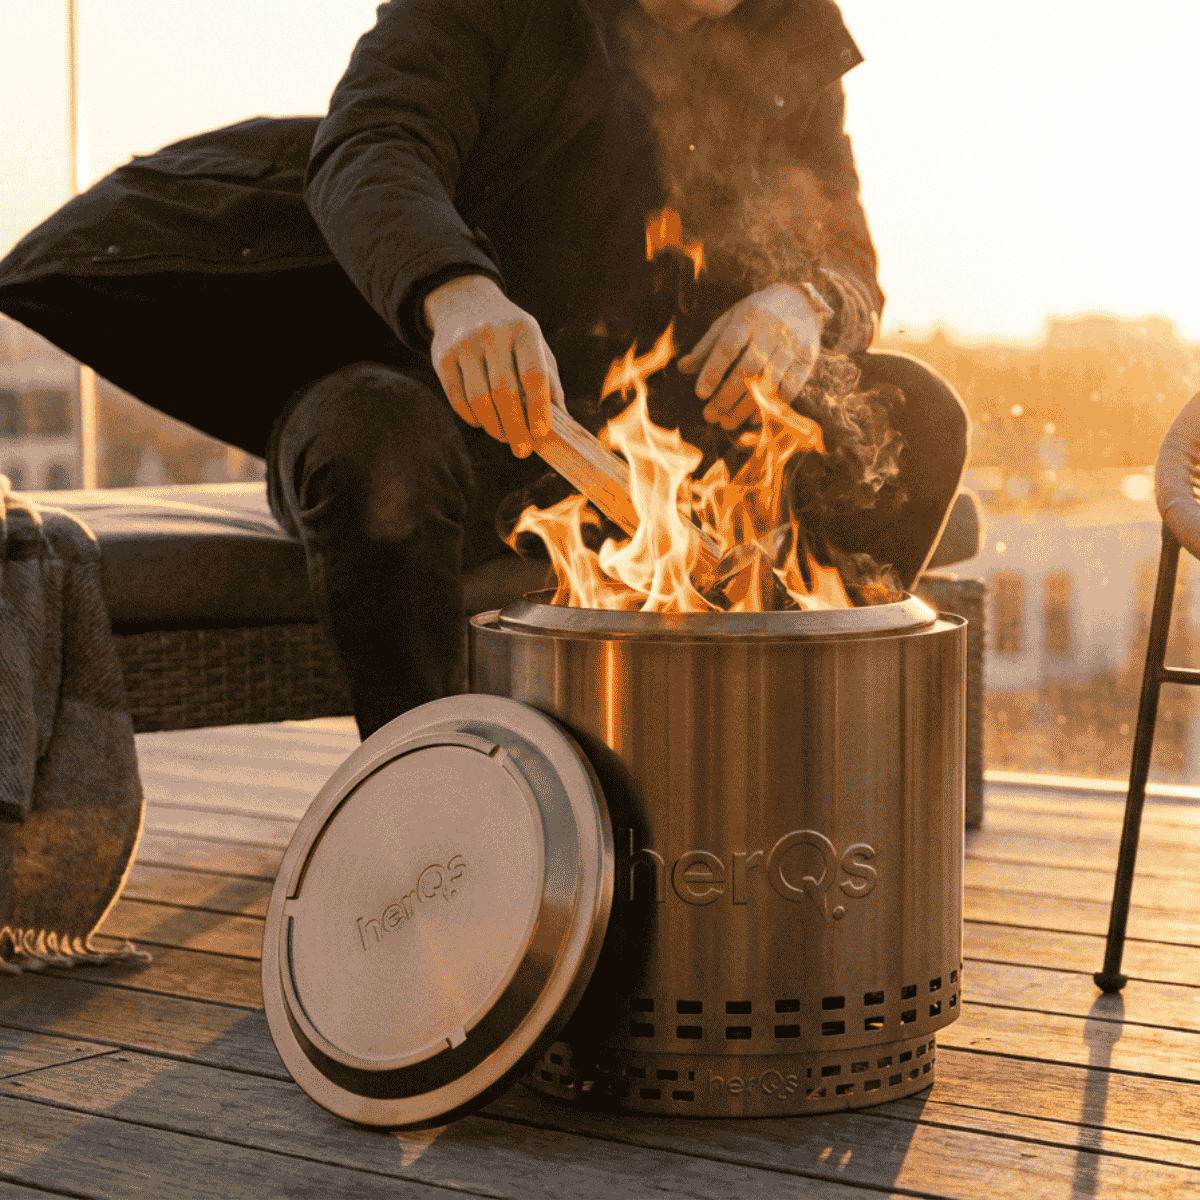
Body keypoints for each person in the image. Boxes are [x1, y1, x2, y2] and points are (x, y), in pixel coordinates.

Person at [0, 0, 968, 739]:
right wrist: (455, 290)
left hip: (647, 434)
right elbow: (373, 145)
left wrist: (804, 301)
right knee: (373, 437)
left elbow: (846, 255)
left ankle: (800, 745)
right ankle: (442, 808)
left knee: (916, 409)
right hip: (424, 401)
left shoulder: (791, 41)